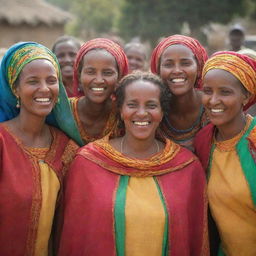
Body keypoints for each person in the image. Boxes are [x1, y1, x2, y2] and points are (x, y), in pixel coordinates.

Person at [58, 71, 209, 255]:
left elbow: (194, 238)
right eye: (132, 105)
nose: (142, 113)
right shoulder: (88, 163)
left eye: (151, 105)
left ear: (162, 112)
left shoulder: (187, 167)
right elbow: (75, 236)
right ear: (120, 110)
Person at [0, 42, 82, 255]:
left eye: (51, 81)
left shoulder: (67, 149)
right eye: (33, 81)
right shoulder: (2, 142)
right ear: (15, 88)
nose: (44, 89)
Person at [194, 51, 256, 256]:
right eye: (208, 91)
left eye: (225, 92)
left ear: (246, 95)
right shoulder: (204, 142)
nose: (213, 100)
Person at [151, 34, 209, 152]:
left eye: (185, 63)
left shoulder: (211, 105)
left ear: (199, 69)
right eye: (168, 64)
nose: (177, 70)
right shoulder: (151, 108)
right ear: (158, 71)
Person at [70, 37, 129, 145]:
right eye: (90, 72)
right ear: (79, 75)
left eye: (107, 73)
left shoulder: (124, 116)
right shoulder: (63, 111)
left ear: (119, 77)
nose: (98, 80)